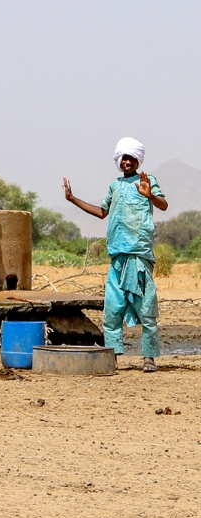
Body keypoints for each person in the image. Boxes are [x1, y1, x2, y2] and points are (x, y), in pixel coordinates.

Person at [64, 137, 167, 372]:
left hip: (139, 256)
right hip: (118, 257)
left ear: (137, 160)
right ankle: (113, 356)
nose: (127, 162)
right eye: (124, 158)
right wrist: (72, 199)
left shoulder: (147, 182)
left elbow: (163, 205)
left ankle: (148, 358)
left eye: (131, 158)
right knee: (112, 309)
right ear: (119, 161)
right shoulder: (115, 185)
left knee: (147, 308)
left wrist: (149, 194)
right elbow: (102, 212)